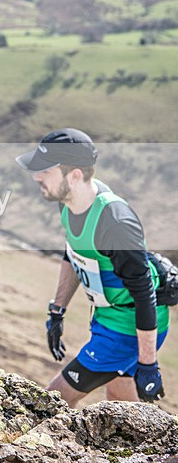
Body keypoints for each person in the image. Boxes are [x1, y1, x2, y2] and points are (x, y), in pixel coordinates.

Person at [17, 128, 169, 406]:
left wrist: (149, 364)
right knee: (122, 407)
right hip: (105, 319)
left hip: (126, 328)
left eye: (46, 171)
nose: (37, 176)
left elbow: (145, 293)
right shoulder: (68, 203)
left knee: (53, 401)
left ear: (74, 175)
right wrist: (57, 310)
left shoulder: (115, 224)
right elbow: (74, 254)